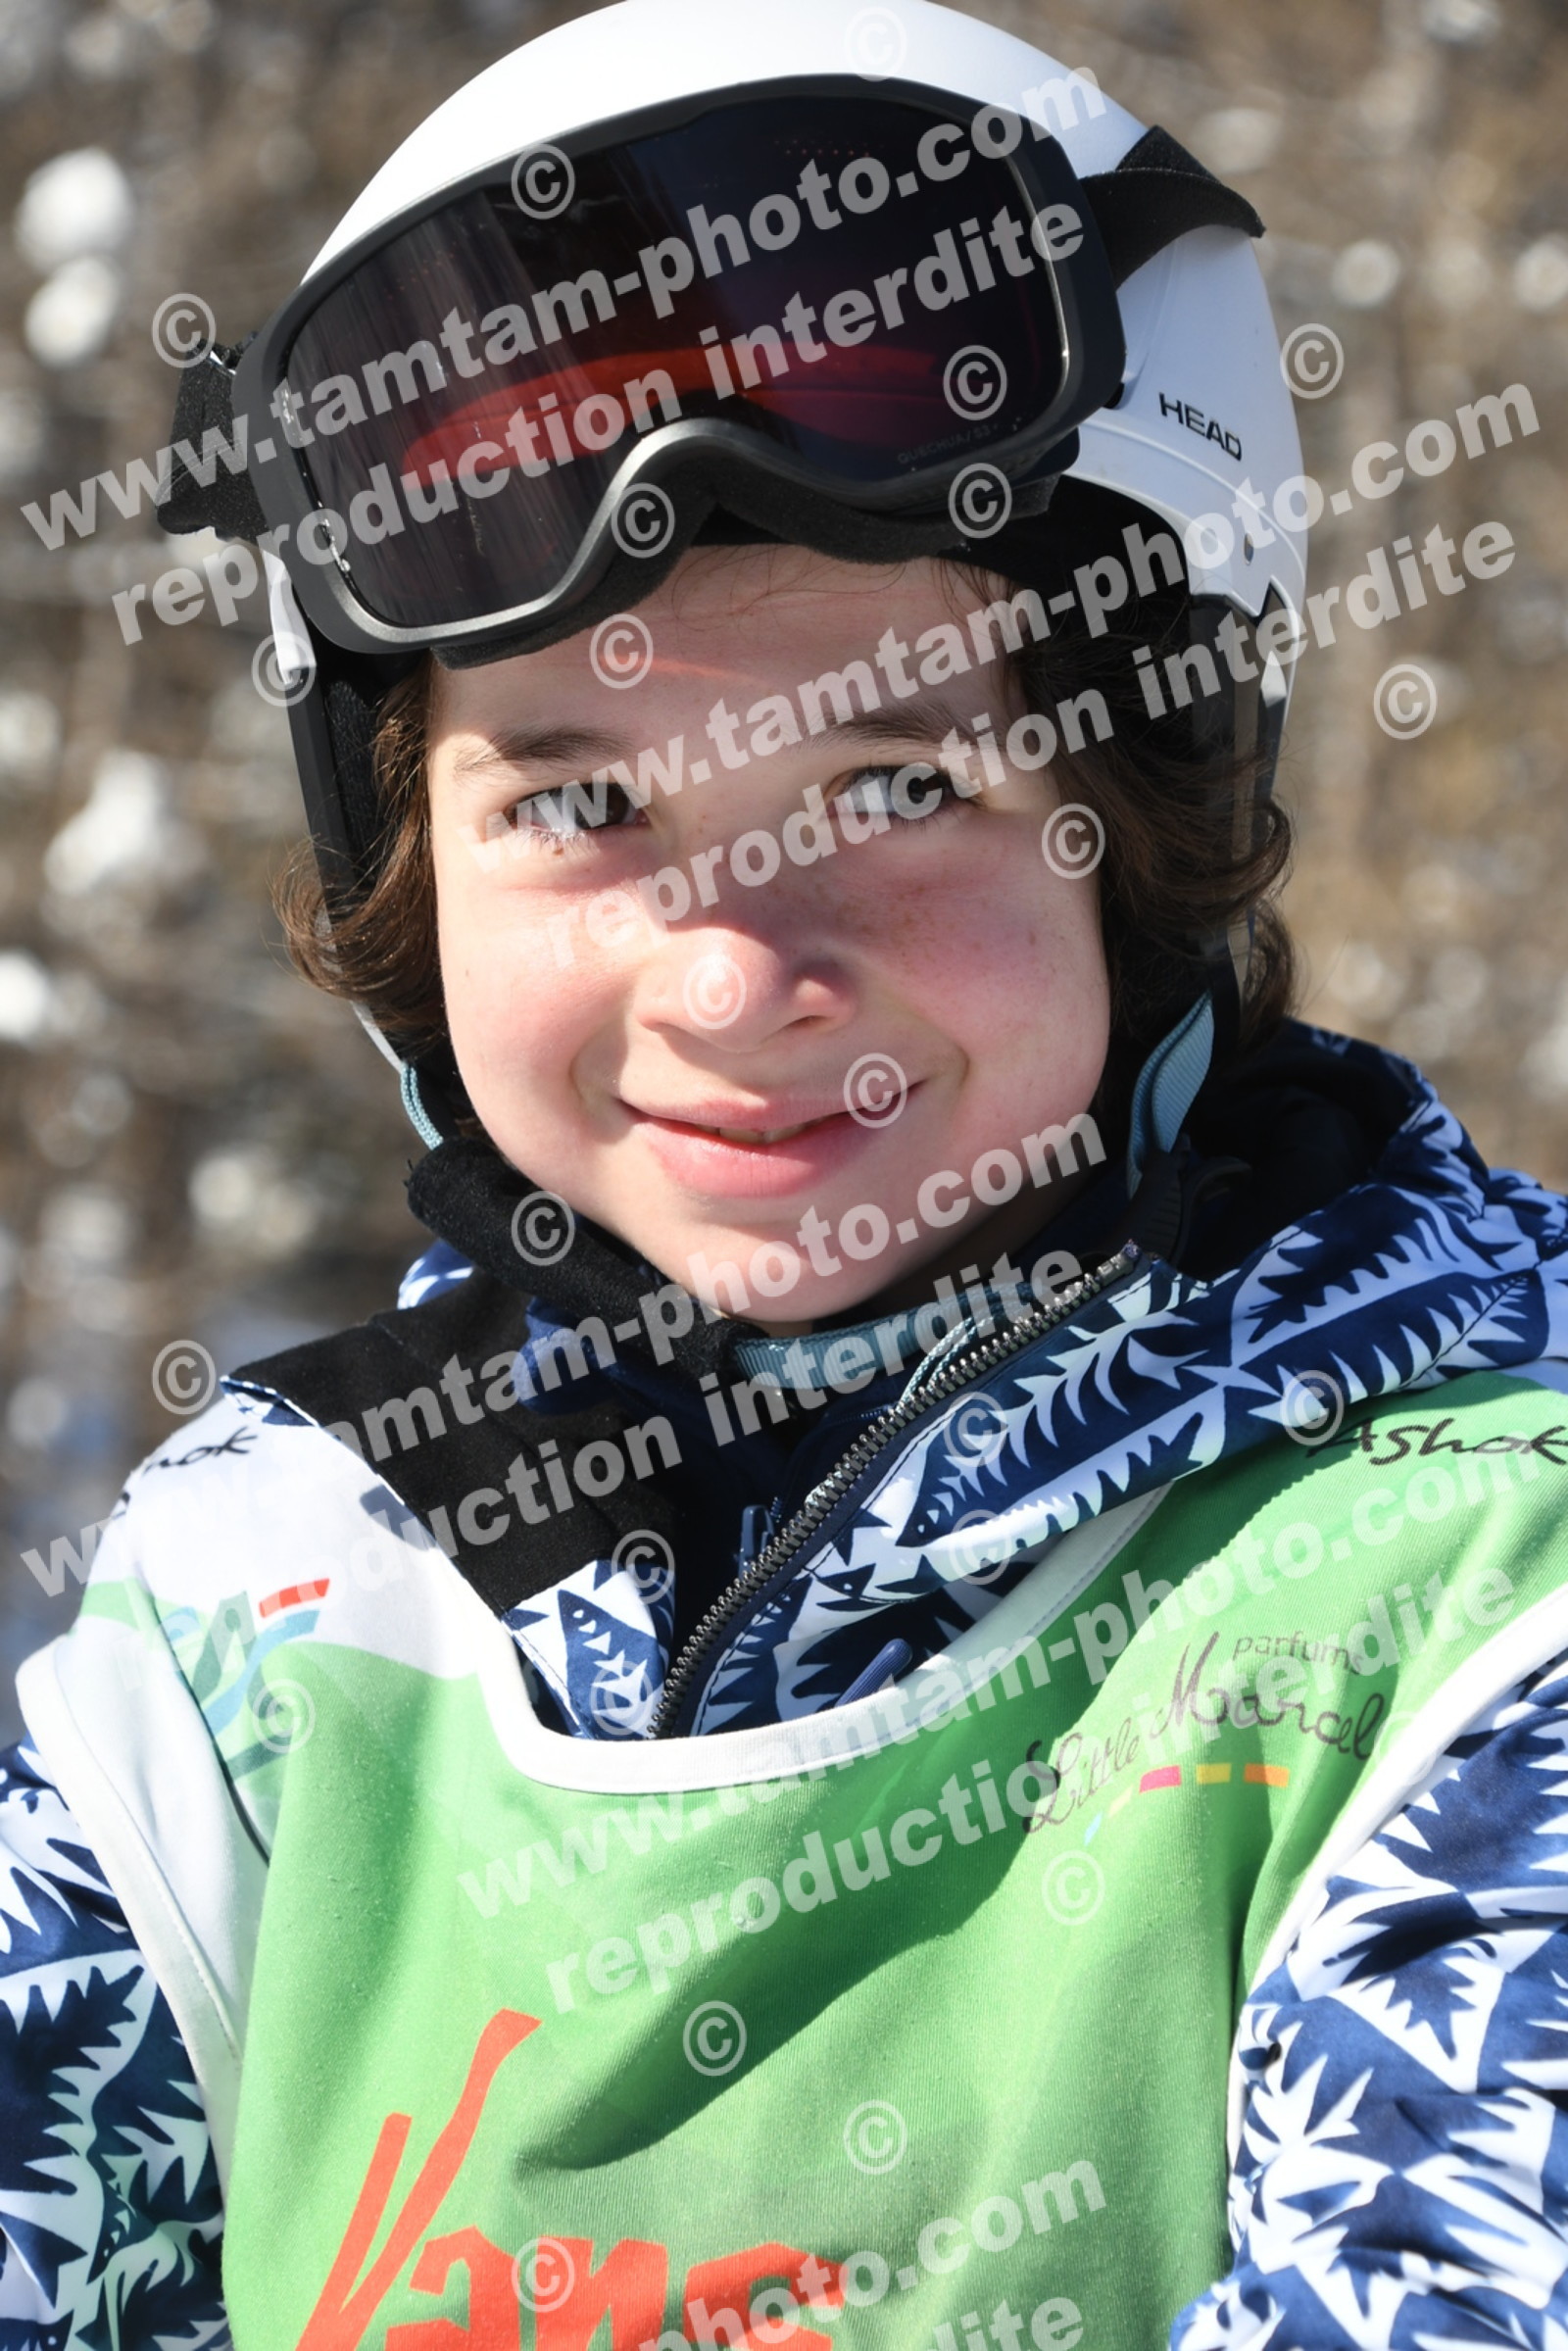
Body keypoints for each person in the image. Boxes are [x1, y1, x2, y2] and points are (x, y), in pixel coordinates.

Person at [6, 1, 1568, 2345]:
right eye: (574, 803)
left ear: (1139, 820)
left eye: (891, 786)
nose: (729, 975)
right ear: (403, 865)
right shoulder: (270, 1613)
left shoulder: (1478, 1571)